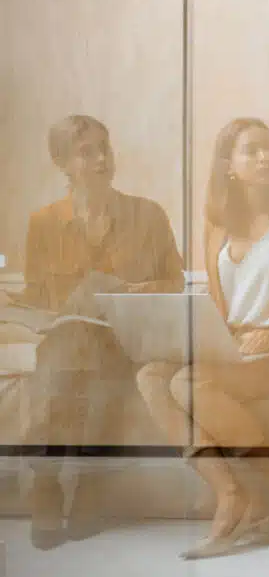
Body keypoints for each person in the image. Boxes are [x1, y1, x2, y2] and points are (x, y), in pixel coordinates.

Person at [14, 114, 184, 549]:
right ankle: (50, 488)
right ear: (63, 163)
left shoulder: (147, 214)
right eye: (86, 152)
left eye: (104, 147)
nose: (102, 158)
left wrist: (142, 290)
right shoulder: (44, 223)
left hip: (123, 338)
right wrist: (26, 310)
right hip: (67, 338)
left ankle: (82, 489)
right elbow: (37, 293)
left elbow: (175, 282)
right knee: (61, 365)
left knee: (96, 370)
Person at [135, 118, 269, 559]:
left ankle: (255, 494)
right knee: (152, 377)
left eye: (268, 148)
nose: (264, 158)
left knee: (187, 384)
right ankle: (229, 488)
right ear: (229, 166)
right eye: (251, 150)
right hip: (231, 343)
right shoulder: (216, 226)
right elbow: (217, 304)